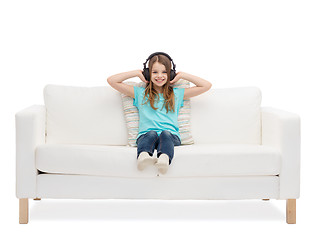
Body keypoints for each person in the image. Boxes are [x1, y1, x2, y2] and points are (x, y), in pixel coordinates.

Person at [107, 52, 212, 174]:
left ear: (170, 74)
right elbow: (112, 81)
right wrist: (136, 73)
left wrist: (181, 75)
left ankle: (164, 158)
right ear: (148, 73)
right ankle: (143, 155)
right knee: (151, 133)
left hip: (171, 136)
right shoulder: (140, 93)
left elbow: (206, 85)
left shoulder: (176, 94)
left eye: (164, 72)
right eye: (154, 72)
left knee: (165, 133)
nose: (159, 76)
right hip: (146, 135)